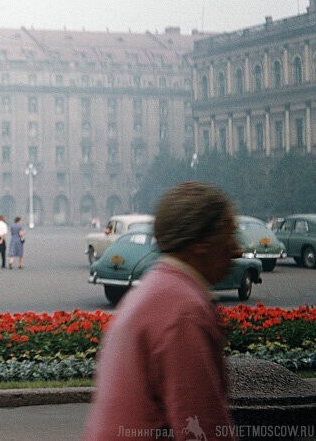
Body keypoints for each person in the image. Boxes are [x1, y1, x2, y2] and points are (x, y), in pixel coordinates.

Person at [83, 182, 241, 441]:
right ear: (201, 243)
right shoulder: (184, 311)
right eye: (229, 235)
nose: (237, 250)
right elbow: (203, 427)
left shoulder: (156, 288)